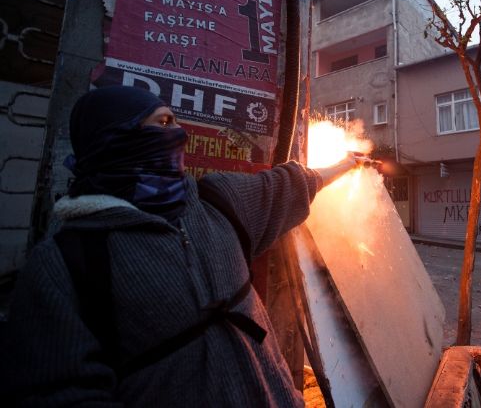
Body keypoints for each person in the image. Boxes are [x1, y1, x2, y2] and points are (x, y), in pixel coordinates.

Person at [0, 85, 359, 407]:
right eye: (163, 123)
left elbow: (291, 185)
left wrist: (346, 164)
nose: (179, 134)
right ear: (115, 140)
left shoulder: (218, 203)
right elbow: (59, 394)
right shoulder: (62, 265)